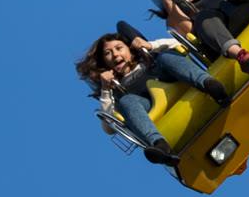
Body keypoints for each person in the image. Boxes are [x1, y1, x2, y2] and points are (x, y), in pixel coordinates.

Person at [78, 25, 229, 164]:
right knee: (127, 101)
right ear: (105, 62)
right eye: (108, 53)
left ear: (129, 49)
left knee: (165, 57)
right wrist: (105, 90)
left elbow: (179, 44)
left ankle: (209, 85)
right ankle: (160, 145)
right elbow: (109, 128)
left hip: (172, 82)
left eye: (119, 48)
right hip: (151, 105)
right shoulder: (116, 90)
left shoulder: (147, 59)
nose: (115, 54)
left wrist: (152, 46)